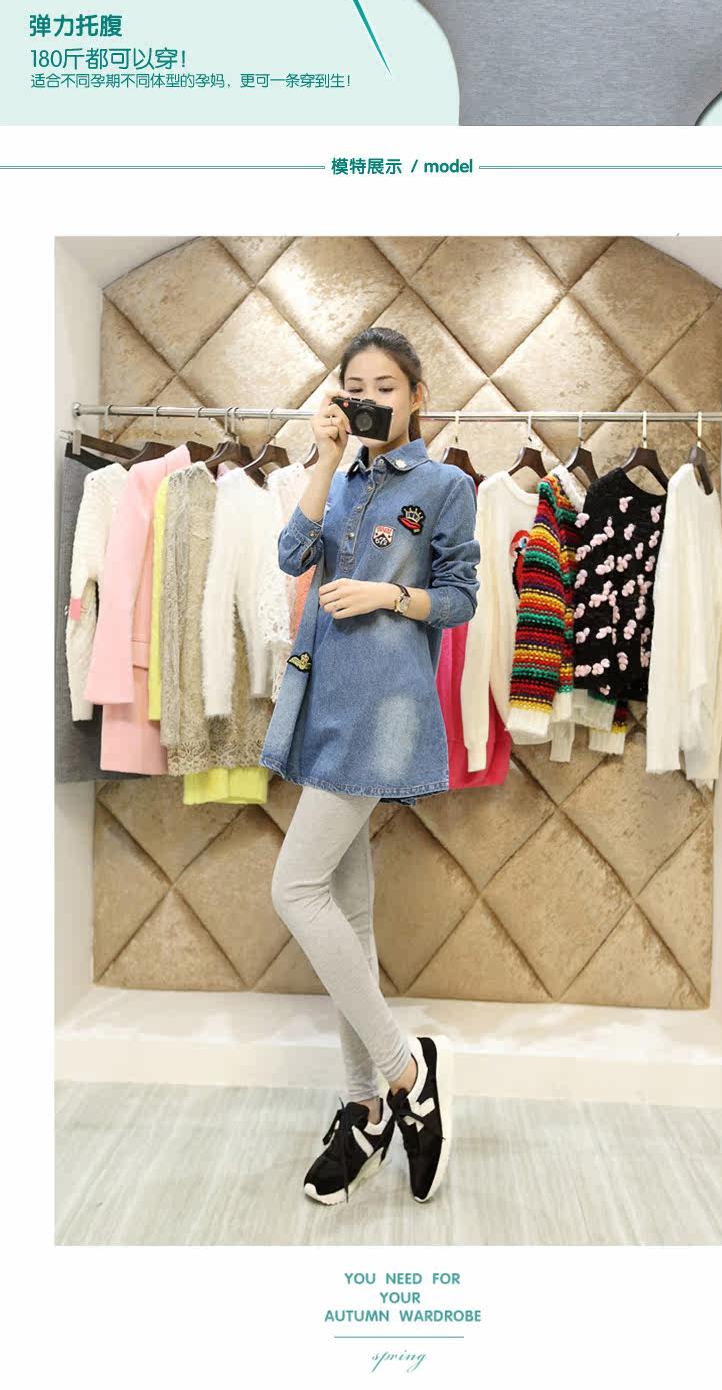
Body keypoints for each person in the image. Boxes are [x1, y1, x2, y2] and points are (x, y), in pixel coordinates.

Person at [260, 327, 481, 1206]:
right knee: (347, 910)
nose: (370, 398)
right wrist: (322, 460)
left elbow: (460, 598)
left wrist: (389, 593)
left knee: (294, 888)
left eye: (386, 386)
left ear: (417, 395)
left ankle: (405, 1073)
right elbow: (290, 556)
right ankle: (364, 1108)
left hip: (382, 711)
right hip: (321, 699)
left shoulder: (446, 485)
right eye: (356, 385)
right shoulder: (342, 476)